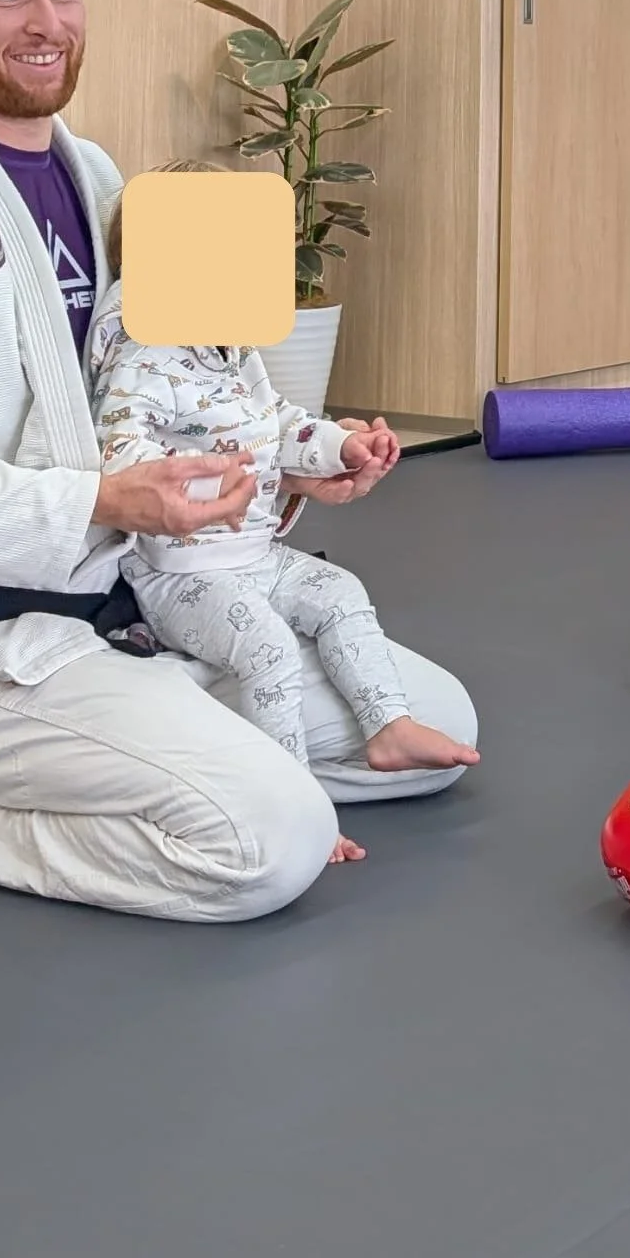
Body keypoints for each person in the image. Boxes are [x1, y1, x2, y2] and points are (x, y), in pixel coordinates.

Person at [0, 0, 477, 921]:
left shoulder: (97, 174)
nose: (45, 23)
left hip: (133, 603)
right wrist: (104, 502)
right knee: (272, 842)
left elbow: (166, 387)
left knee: (433, 719)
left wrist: (278, 466)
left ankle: (163, 755)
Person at [89, 164, 479, 864]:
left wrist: (341, 446)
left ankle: (387, 724)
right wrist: (204, 492)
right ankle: (295, 802)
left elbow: (280, 424)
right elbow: (123, 457)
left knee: (341, 594)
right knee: (267, 650)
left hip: (256, 556)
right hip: (185, 576)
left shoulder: (231, 349)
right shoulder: (143, 351)